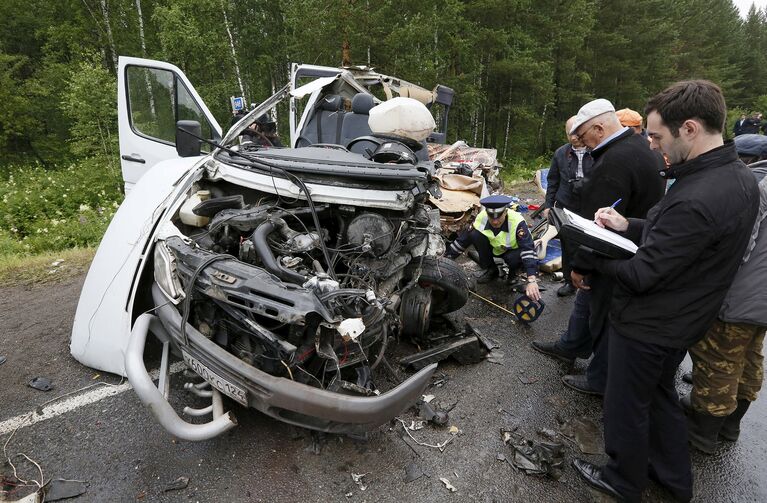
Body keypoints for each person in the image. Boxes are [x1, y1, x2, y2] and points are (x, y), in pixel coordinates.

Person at [570, 80, 759, 503]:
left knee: (626, 406)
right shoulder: (734, 177)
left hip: (650, 323)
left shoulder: (700, 195)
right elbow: (679, 239)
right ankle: (674, 480)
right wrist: (627, 226)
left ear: (689, 128)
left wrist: (594, 253)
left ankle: (623, 479)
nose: (653, 146)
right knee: (658, 398)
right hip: (683, 316)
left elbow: (641, 274)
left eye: (657, 136)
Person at [532, 98, 665, 396]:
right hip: (634, 244)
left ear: (599, 128)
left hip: (615, 253)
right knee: (587, 305)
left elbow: (597, 228)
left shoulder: (613, 161)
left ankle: (600, 379)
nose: (582, 143)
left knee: (605, 315)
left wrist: (581, 266)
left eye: (584, 135)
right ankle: (572, 345)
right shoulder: (642, 147)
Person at [681, 165, 767, 454]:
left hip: (746, 291)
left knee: (718, 359)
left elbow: (743, 243)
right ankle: (731, 424)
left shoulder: (762, 188)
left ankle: (702, 432)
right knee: (750, 353)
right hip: (761, 301)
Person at [445, 195, 540, 301]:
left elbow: (527, 250)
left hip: (515, 251)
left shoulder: (517, 222)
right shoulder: (482, 217)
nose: (495, 222)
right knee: (475, 234)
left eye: (499, 217)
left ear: (505, 212)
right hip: (496, 249)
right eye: (491, 217)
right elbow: (463, 240)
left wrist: (531, 280)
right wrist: (446, 258)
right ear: (487, 213)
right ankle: (491, 269)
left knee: (513, 258)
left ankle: (514, 274)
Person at [543, 116, 595, 296]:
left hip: (590, 206)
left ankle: (589, 278)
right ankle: (569, 281)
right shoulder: (560, 153)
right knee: (568, 244)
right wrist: (548, 206)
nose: (573, 136)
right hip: (566, 205)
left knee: (590, 243)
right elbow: (552, 181)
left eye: (576, 131)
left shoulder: (596, 151)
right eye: (569, 133)